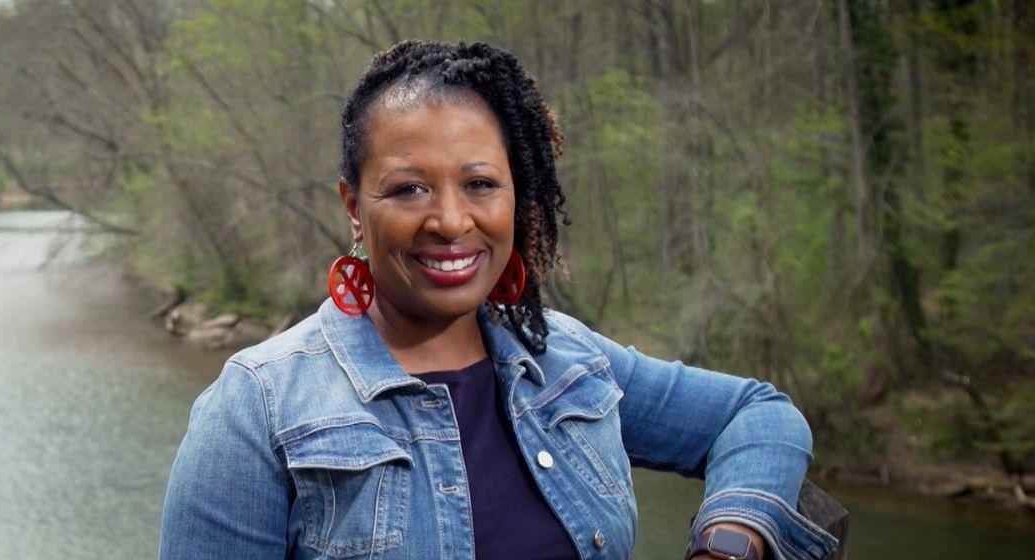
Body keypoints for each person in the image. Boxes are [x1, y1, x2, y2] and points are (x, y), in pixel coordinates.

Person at [158, 40, 839, 560]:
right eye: (408, 189)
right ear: (354, 208)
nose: (451, 221)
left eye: (480, 184)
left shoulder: (567, 359)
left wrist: (732, 534)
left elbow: (757, 415)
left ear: (519, 194)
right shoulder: (258, 408)